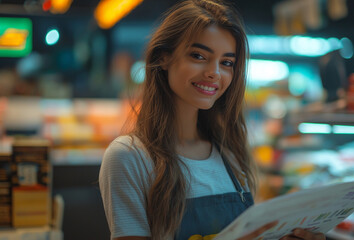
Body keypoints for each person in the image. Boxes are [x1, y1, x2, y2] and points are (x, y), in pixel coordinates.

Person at [99, 0, 326, 239]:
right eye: (198, 56)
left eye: (227, 62)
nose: (214, 73)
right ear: (164, 58)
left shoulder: (230, 154)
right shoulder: (129, 157)